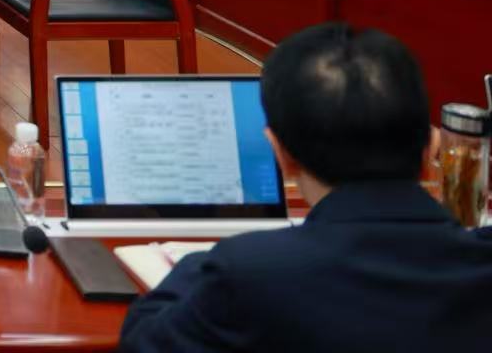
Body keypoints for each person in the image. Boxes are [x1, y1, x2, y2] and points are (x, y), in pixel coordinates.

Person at [119, 22, 492, 351]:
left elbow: (144, 341)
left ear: (281, 154)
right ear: (430, 148)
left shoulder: (247, 273)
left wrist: (197, 265)